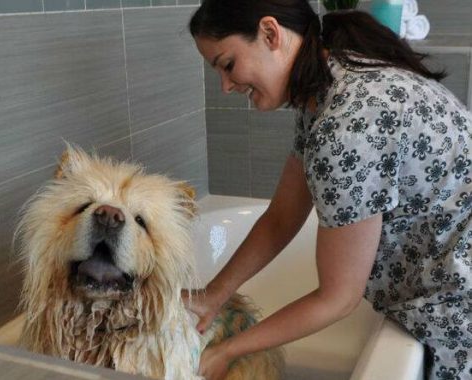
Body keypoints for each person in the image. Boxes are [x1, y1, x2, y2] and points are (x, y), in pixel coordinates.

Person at [183, 1, 472, 380]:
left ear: (270, 33)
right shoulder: (330, 83)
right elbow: (282, 218)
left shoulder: (347, 126)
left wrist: (229, 350)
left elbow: (338, 298)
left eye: (227, 64)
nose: (225, 85)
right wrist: (212, 295)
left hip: (457, 302)